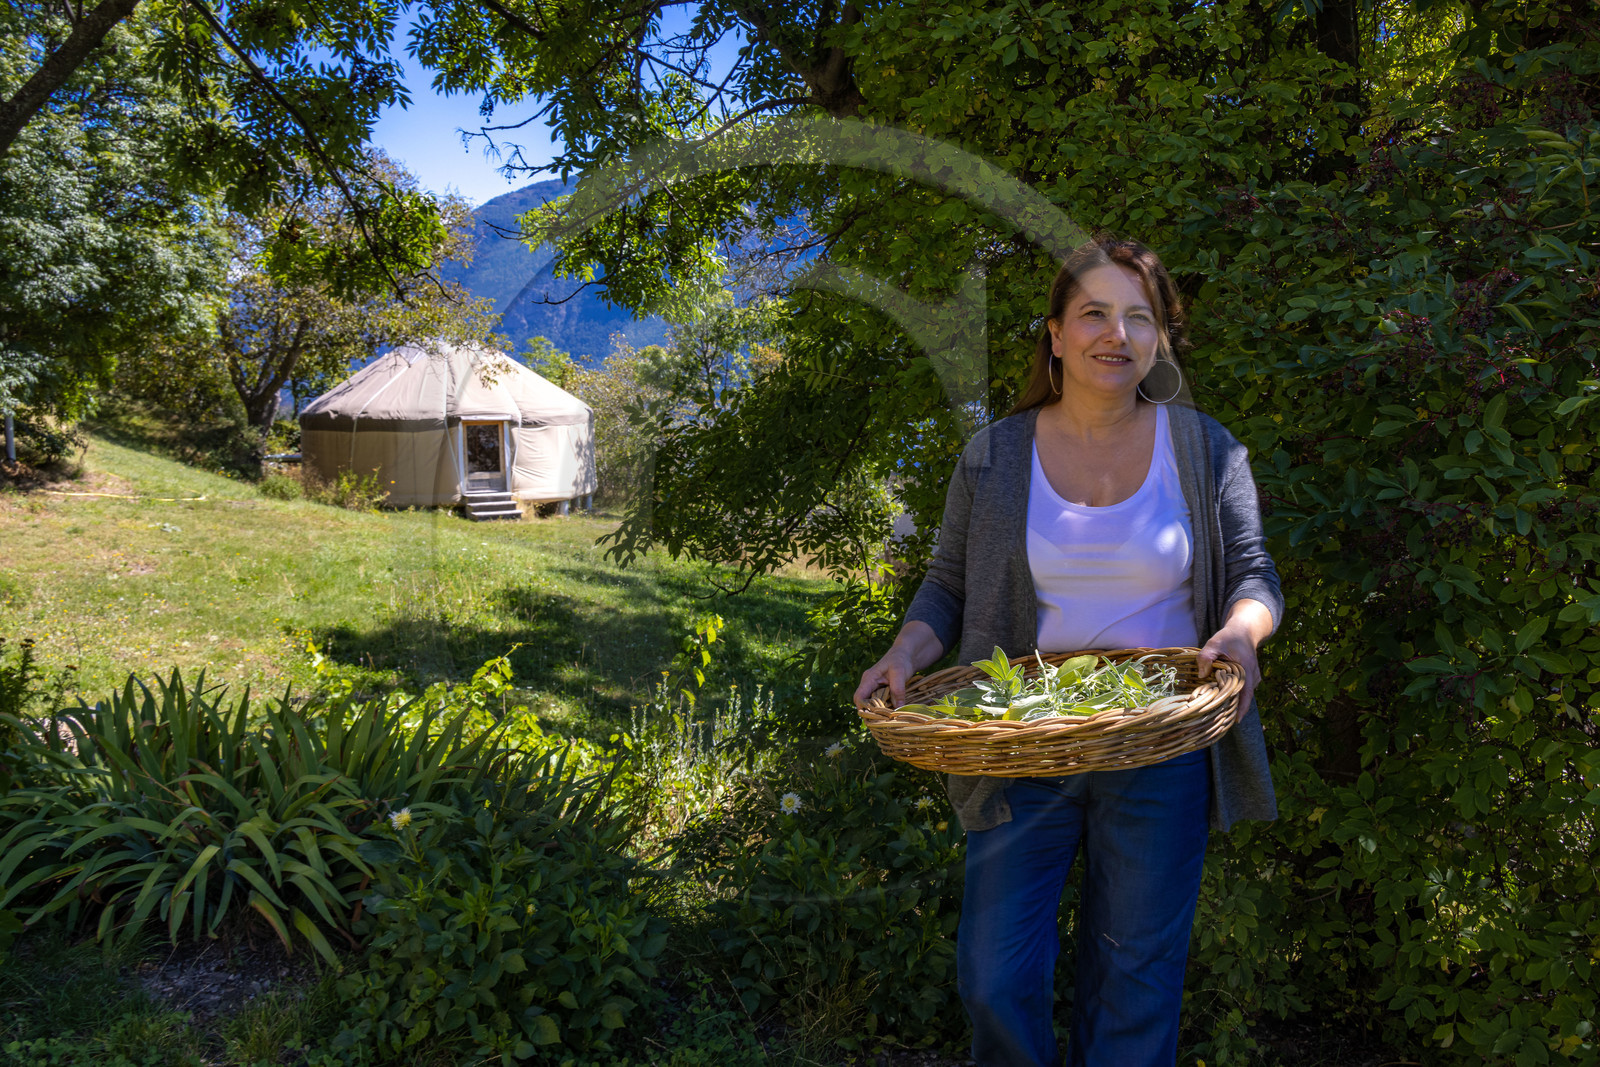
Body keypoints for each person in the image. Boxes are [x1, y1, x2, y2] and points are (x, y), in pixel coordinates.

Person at [852, 234, 1283, 1067]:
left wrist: (1241, 631)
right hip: (1025, 743)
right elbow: (946, 583)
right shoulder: (996, 454)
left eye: (1139, 317)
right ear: (1054, 333)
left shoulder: (1207, 449)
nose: (1114, 334)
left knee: (1137, 980)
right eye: (1093, 313)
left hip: (1159, 746)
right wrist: (905, 651)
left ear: (1160, 338)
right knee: (993, 976)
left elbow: (1255, 575)